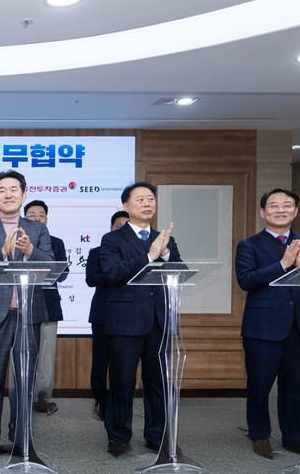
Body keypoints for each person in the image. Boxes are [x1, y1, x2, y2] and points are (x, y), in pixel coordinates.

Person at [0, 170, 53, 463]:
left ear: (23, 195)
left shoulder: (37, 229)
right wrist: (1, 252)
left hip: (29, 313)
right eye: (2, 190)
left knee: (25, 381)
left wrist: (30, 251)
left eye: (14, 189)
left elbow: (51, 264)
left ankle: (21, 439)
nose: (8, 194)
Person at [235, 188, 300, 459]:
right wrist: (283, 264)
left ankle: (293, 436)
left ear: (295, 211)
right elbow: (246, 280)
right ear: (263, 212)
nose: (281, 210)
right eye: (274, 205)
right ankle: (260, 435)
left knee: (296, 386)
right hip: (263, 328)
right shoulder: (249, 245)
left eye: (287, 205)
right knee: (259, 386)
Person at [99, 181, 180, 455]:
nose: (147, 203)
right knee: (122, 383)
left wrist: (165, 254)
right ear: (126, 205)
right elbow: (114, 274)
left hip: (158, 322)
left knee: (157, 383)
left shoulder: (164, 238)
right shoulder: (112, 239)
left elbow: (179, 271)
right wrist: (149, 255)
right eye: (140, 199)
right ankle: (118, 436)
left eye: (151, 199)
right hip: (125, 322)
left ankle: (156, 435)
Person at [23, 200, 68, 415]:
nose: (37, 218)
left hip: (48, 304)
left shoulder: (56, 243)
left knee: (46, 355)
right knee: (22, 352)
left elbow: (63, 273)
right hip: (21, 304)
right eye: (32, 215)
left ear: (47, 220)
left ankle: (42, 397)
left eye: (41, 215)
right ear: (23, 219)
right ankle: (22, 394)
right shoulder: (16, 241)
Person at [86, 210, 129, 421]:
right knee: (100, 363)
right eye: (118, 226)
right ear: (111, 228)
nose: (122, 230)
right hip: (102, 314)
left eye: (126, 227)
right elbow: (91, 279)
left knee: (122, 364)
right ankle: (101, 402)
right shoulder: (97, 252)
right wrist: (115, 274)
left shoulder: (135, 253)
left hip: (128, 315)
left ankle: (118, 403)